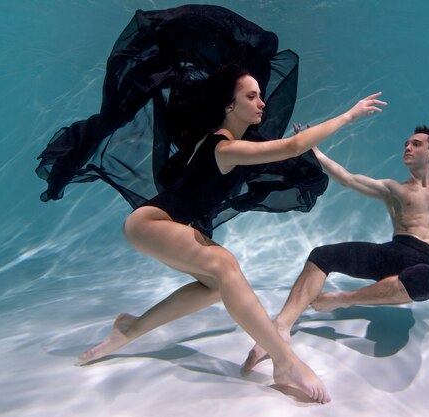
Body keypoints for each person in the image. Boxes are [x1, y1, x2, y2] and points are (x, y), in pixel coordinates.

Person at [35, 6, 385, 404]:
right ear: (229, 105)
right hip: (151, 222)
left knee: (215, 287)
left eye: (259, 95)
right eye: (251, 97)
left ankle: (131, 329)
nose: (262, 103)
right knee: (224, 265)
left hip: (166, 224)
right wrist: (350, 115)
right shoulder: (225, 146)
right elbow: (289, 145)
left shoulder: (228, 144)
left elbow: (283, 152)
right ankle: (285, 360)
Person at [242, 99, 429, 374]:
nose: (407, 148)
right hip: (393, 252)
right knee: (321, 256)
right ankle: (281, 326)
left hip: (426, 264)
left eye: (416, 144)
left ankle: (342, 298)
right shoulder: (393, 189)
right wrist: (313, 150)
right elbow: (347, 179)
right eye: (405, 145)